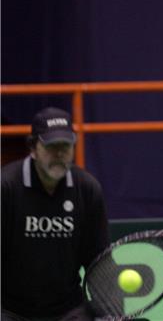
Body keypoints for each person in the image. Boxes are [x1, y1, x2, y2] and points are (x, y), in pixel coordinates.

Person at [1, 107, 110, 321]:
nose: (59, 154)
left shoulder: (87, 189)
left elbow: (99, 264)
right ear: (33, 148)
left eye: (65, 146)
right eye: (51, 146)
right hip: (10, 309)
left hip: (69, 311)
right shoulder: (6, 187)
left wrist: (107, 314)